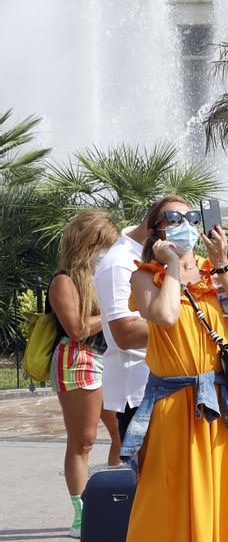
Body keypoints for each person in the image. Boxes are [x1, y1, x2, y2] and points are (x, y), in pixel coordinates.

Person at [123, 197, 228, 540]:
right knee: (169, 495)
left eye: (191, 217)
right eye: (173, 218)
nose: (185, 223)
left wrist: (223, 264)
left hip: (224, 401)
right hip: (175, 404)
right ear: (155, 231)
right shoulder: (145, 277)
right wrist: (171, 266)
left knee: (225, 492)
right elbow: (166, 315)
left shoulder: (212, 271)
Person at [49, 210, 119, 538]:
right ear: (87, 242)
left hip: (110, 357)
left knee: (124, 434)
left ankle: (118, 502)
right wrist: (112, 312)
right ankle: (81, 513)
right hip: (79, 359)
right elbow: (76, 328)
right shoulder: (64, 280)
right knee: (83, 439)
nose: (106, 251)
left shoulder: (103, 273)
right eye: (102, 244)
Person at [93, 208, 156, 470]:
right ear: (153, 228)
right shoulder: (119, 262)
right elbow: (126, 334)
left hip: (162, 384)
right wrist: (184, 323)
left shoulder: (153, 255)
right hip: (140, 390)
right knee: (144, 480)